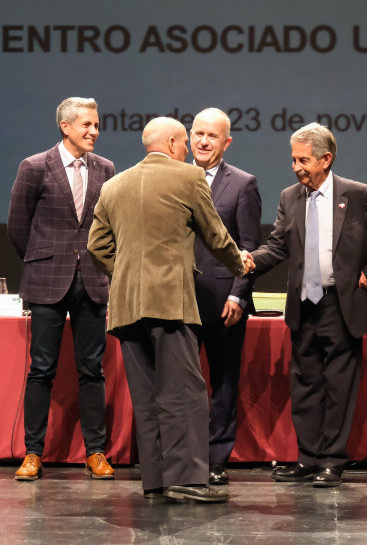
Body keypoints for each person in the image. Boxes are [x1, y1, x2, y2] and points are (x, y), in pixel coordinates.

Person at [88, 117, 252, 503]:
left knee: (146, 396)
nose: (188, 150)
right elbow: (215, 233)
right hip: (170, 303)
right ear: (176, 142)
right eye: (185, 143)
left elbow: (97, 246)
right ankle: (190, 480)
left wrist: (127, 275)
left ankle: (156, 481)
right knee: (185, 392)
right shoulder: (188, 179)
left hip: (128, 307)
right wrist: (239, 264)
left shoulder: (113, 185)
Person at [250, 123, 367, 487]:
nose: (296, 167)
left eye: (303, 160)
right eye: (293, 159)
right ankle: (307, 458)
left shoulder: (356, 195)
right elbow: (277, 246)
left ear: (326, 158)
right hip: (304, 305)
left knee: (339, 386)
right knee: (304, 384)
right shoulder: (290, 196)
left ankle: (332, 461)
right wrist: (250, 261)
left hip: (341, 305)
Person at [7, 97, 116, 482]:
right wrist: (43, 260)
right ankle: (33, 453)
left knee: (92, 369)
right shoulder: (35, 166)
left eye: (97, 125)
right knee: (41, 370)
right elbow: (17, 227)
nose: (93, 132)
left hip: (92, 281)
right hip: (46, 281)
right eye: (86, 124)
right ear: (65, 126)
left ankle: (96, 452)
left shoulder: (106, 169)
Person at [189, 108, 262, 485]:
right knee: (181, 385)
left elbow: (249, 246)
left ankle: (217, 458)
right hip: (178, 299)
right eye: (197, 133)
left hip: (223, 302)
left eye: (211, 136)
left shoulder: (243, 184)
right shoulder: (176, 177)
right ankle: (182, 457)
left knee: (224, 381)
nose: (202, 141)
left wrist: (239, 295)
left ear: (226, 142)